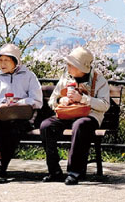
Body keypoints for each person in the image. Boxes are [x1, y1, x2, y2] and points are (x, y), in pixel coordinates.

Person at [39, 46, 111, 185]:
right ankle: (54, 171)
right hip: (67, 113)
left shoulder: (99, 81)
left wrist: (83, 99)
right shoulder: (66, 78)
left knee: (80, 125)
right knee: (46, 125)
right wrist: (62, 100)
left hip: (90, 116)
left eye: (71, 64)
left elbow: (104, 105)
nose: (68, 67)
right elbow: (53, 100)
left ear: (81, 67)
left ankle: (74, 172)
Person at [0, 43, 43, 183]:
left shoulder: (29, 76)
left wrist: (20, 103)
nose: (2, 63)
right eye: (0, 60)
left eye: (6, 60)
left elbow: (37, 100)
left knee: (13, 129)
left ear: (16, 61)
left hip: (21, 117)